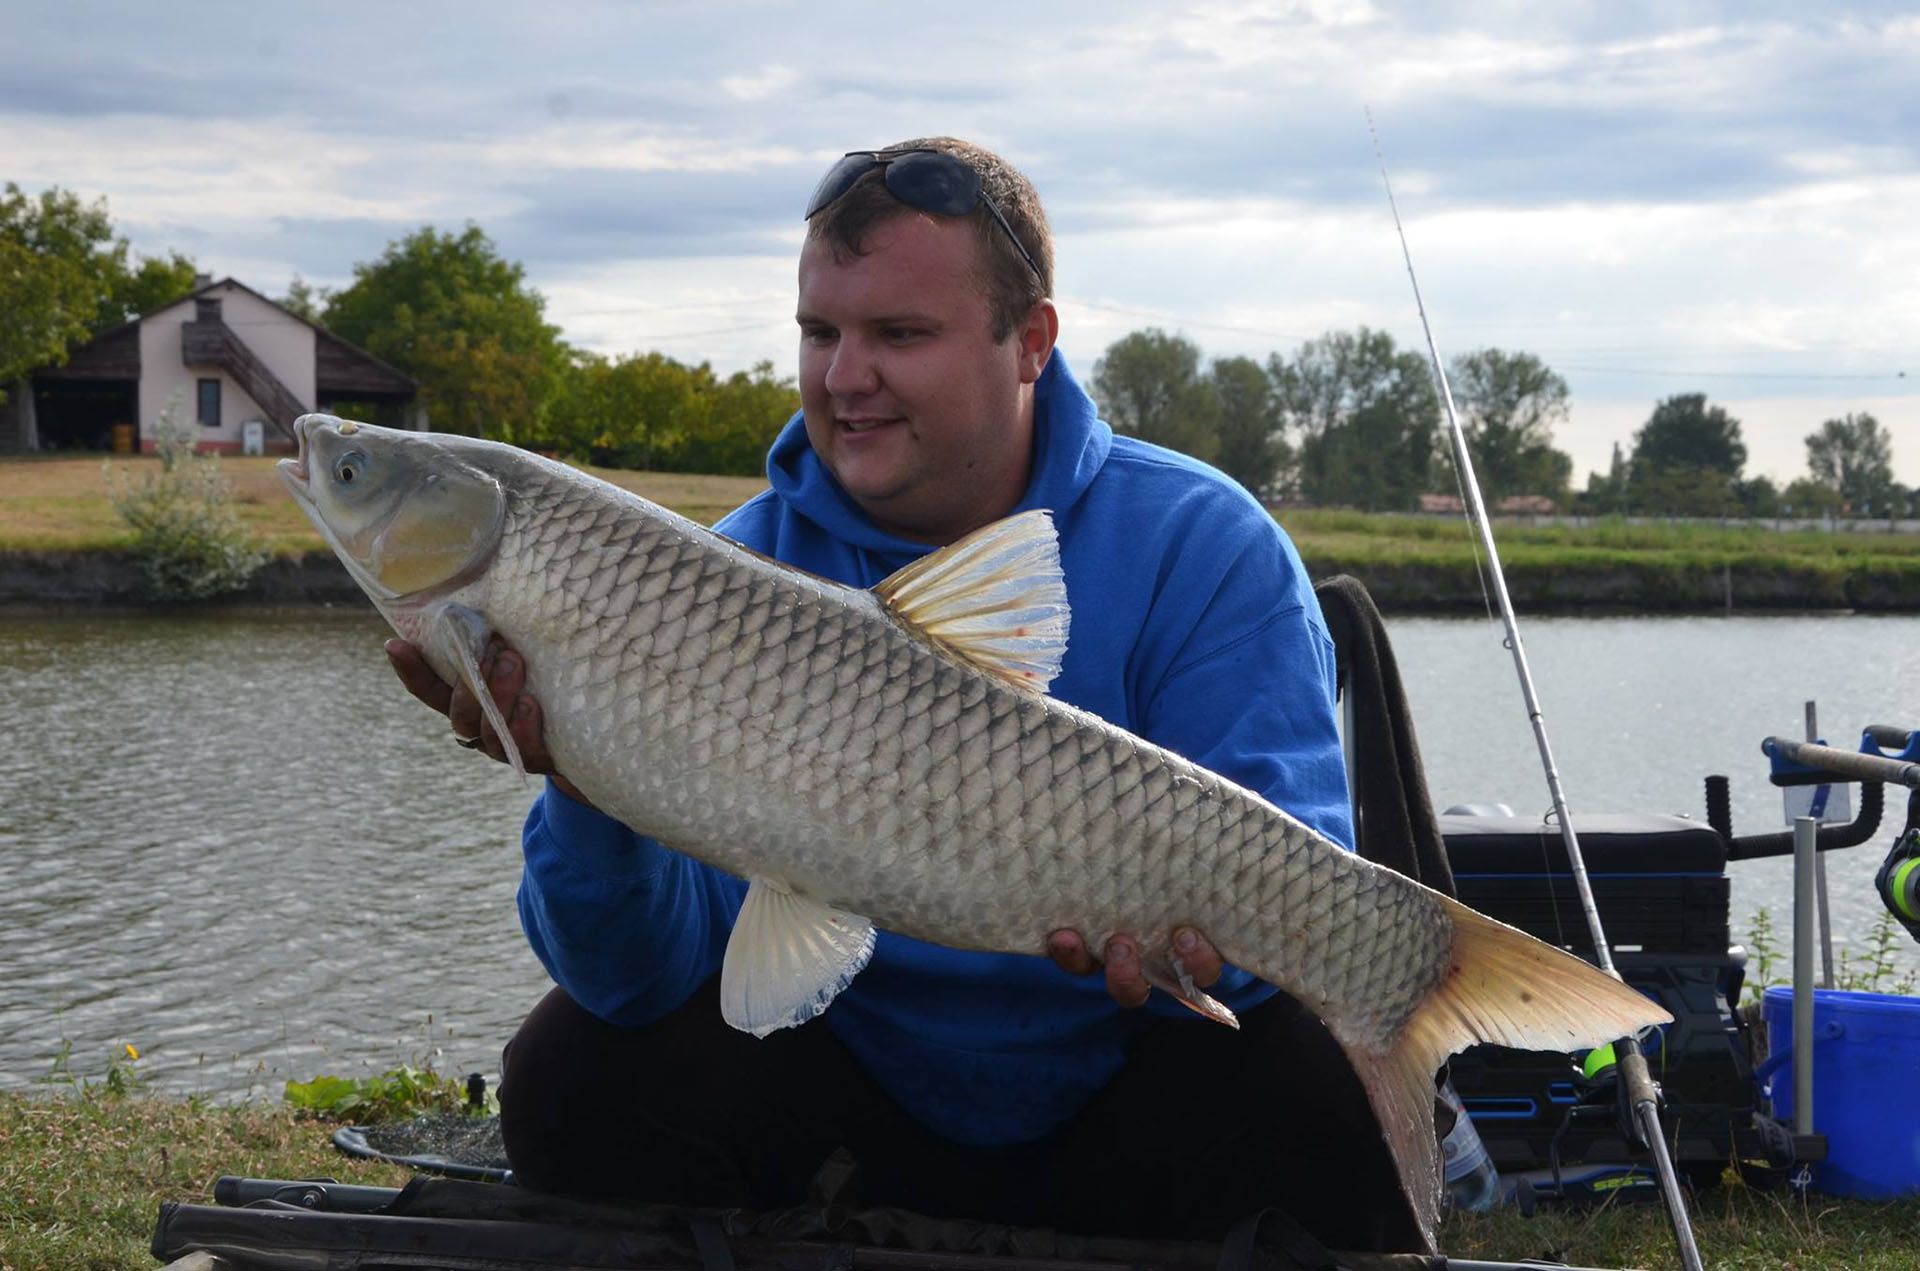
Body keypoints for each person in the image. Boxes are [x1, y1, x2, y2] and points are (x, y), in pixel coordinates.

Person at [387, 137, 1417, 1252]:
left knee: (1321, 1082)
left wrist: (1200, 951)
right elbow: (632, 983)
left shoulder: (1203, 544)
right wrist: (584, 775)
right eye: (820, 332)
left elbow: (1299, 880)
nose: (843, 377)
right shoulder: (714, 577)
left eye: (899, 334)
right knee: (569, 1074)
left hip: (1131, 1081)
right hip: (849, 1082)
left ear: (1029, 342)